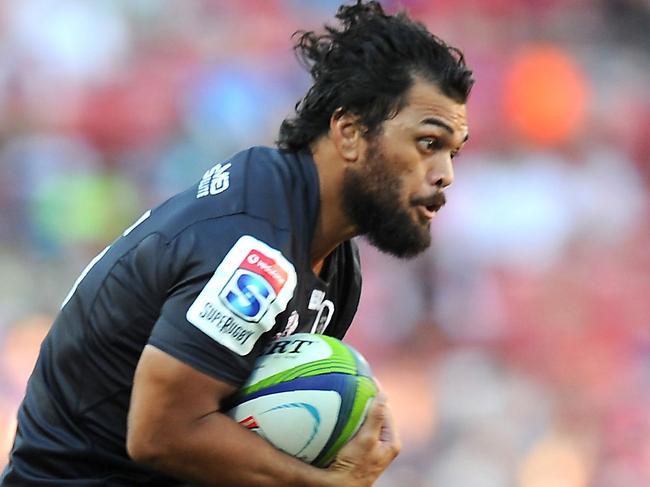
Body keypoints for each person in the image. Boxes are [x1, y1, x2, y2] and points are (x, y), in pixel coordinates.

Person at [1, 1, 473, 486]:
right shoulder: (257, 248)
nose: (445, 175)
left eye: (453, 152)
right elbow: (160, 433)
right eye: (428, 143)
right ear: (349, 133)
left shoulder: (329, 256)